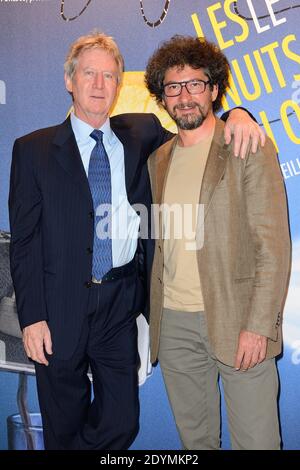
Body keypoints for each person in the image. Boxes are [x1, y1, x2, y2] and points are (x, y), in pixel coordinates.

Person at [9, 31, 263, 450]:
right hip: (57, 310)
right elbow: (24, 242)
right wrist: (32, 317)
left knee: (122, 423)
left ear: (118, 84)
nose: (98, 85)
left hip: (119, 304)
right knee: (62, 423)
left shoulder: (141, 131)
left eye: (109, 76)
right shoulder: (32, 150)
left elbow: (194, 130)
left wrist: (237, 112)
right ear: (69, 80)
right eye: (89, 74)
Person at [145, 35, 291, 450]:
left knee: (258, 443)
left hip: (239, 321)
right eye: (173, 87)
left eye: (195, 83)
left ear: (214, 89)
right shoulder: (158, 159)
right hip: (173, 325)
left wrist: (259, 326)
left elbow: (274, 246)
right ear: (162, 97)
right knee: (196, 443)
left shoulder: (246, 144)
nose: (185, 96)